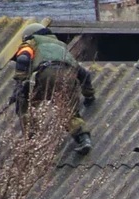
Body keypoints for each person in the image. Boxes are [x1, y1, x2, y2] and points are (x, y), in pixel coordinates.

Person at [11, 22, 96, 155]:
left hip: (47, 73)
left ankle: (31, 138)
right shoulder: (62, 47)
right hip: (69, 76)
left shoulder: (32, 42)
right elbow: (84, 74)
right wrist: (89, 95)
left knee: (24, 101)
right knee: (69, 112)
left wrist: (19, 84)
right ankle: (83, 139)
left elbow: (23, 59)